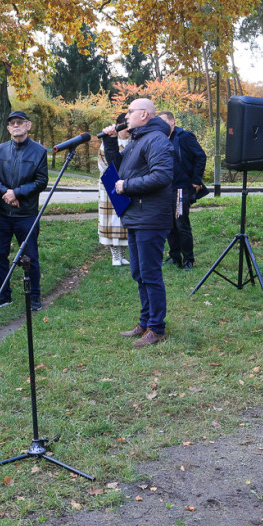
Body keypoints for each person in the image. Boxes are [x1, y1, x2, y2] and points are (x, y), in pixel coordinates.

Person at [100, 98, 174, 346]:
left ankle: (157, 328)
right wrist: (111, 142)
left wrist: (127, 186)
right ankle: (145, 322)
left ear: (144, 114)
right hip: (136, 215)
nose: (126, 116)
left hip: (151, 217)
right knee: (139, 273)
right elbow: (120, 169)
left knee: (150, 274)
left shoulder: (157, 140)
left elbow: (162, 176)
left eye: (130, 112)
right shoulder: (137, 140)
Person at [0, 110, 49, 310]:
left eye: (20, 122)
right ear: (8, 128)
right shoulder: (0, 150)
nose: (16, 125)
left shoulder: (39, 151)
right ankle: (3, 295)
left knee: (30, 257)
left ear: (28, 126)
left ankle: (34, 299)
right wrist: (7, 193)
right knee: (0, 255)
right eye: (12, 123)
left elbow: (41, 181)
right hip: (3, 214)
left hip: (27, 214)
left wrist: (18, 194)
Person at [158, 110, 206, 270]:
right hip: (165, 189)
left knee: (181, 224)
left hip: (181, 188)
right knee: (169, 224)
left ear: (172, 122)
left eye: (164, 122)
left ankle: (188, 260)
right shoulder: (160, 138)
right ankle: (174, 256)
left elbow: (200, 156)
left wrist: (196, 180)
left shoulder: (184, 136)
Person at [97, 113, 131, 267]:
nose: (127, 129)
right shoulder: (108, 142)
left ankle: (122, 255)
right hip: (110, 187)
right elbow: (104, 165)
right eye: (124, 125)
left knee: (124, 224)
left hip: (126, 187)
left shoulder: (133, 142)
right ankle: (114, 256)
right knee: (112, 223)